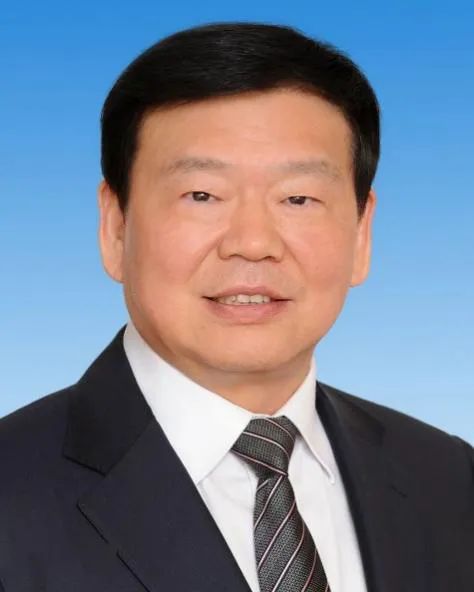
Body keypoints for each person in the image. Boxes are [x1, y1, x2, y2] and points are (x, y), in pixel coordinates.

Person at [0, 21, 472, 592]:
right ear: (115, 226)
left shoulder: (449, 479)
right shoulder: (12, 490)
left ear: (362, 233)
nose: (253, 242)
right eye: (202, 195)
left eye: (298, 198)